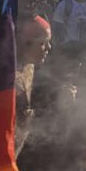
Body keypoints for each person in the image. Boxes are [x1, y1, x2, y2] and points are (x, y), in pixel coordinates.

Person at [15, 16, 52, 157]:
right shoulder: (7, 76)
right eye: (43, 43)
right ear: (26, 44)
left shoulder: (30, 66)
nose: (49, 48)